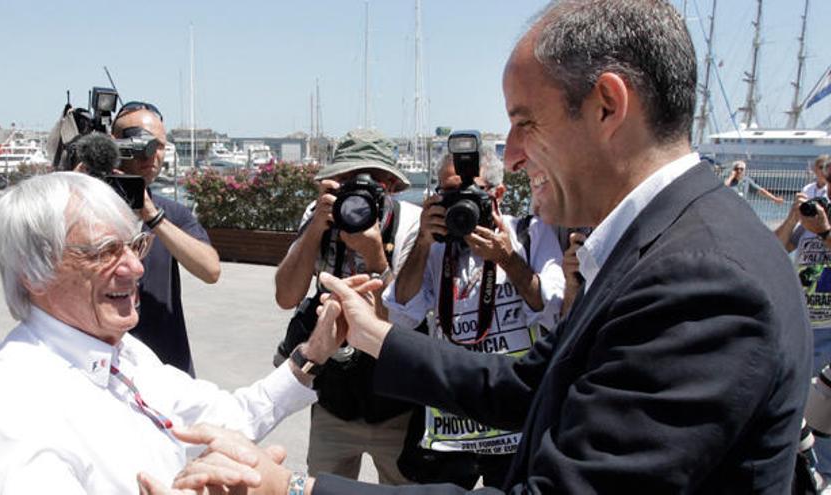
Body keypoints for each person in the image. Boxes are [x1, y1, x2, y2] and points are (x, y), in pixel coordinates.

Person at [142, 1, 813, 493]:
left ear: (609, 106)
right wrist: (376, 336)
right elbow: (526, 383)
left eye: (524, 122)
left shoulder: (700, 280)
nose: (512, 158)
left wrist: (297, 489)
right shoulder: (672, 242)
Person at [0, 172, 347, 493]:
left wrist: (312, 353)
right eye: (105, 251)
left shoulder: (125, 353)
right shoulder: (10, 399)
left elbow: (225, 419)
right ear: (34, 274)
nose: (136, 268)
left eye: (133, 246)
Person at [386, 148, 564, 489]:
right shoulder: (435, 248)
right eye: (450, 194)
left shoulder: (530, 234)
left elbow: (552, 309)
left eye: (472, 193)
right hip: (454, 418)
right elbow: (402, 313)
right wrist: (423, 241)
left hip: (514, 416)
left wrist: (508, 259)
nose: (460, 205)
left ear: (497, 194)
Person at [272, 129, 421, 484]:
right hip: (333, 398)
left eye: (371, 182)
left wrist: (375, 258)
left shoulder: (409, 224)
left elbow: (403, 326)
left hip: (395, 402)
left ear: (391, 185)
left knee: (403, 489)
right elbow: (286, 297)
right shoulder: (319, 215)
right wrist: (314, 229)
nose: (359, 191)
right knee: (323, 485)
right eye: (348, 180)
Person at [111, 102, 220, 377]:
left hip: (168, 368)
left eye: (160, 145)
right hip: (104, 370)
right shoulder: (83, 210)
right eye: (143, 143)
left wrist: (153, 217)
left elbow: (210, 270)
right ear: (115, 146)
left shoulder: (171, 214)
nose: (153, 154)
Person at [775, 159, 831, 480]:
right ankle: (803, 477)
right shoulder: (812, 214)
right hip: (804, 325)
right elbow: (778, 246)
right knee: (799, 416)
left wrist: (824, 231)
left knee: (824, 421)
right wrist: (793, 218)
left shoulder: (822, 223)